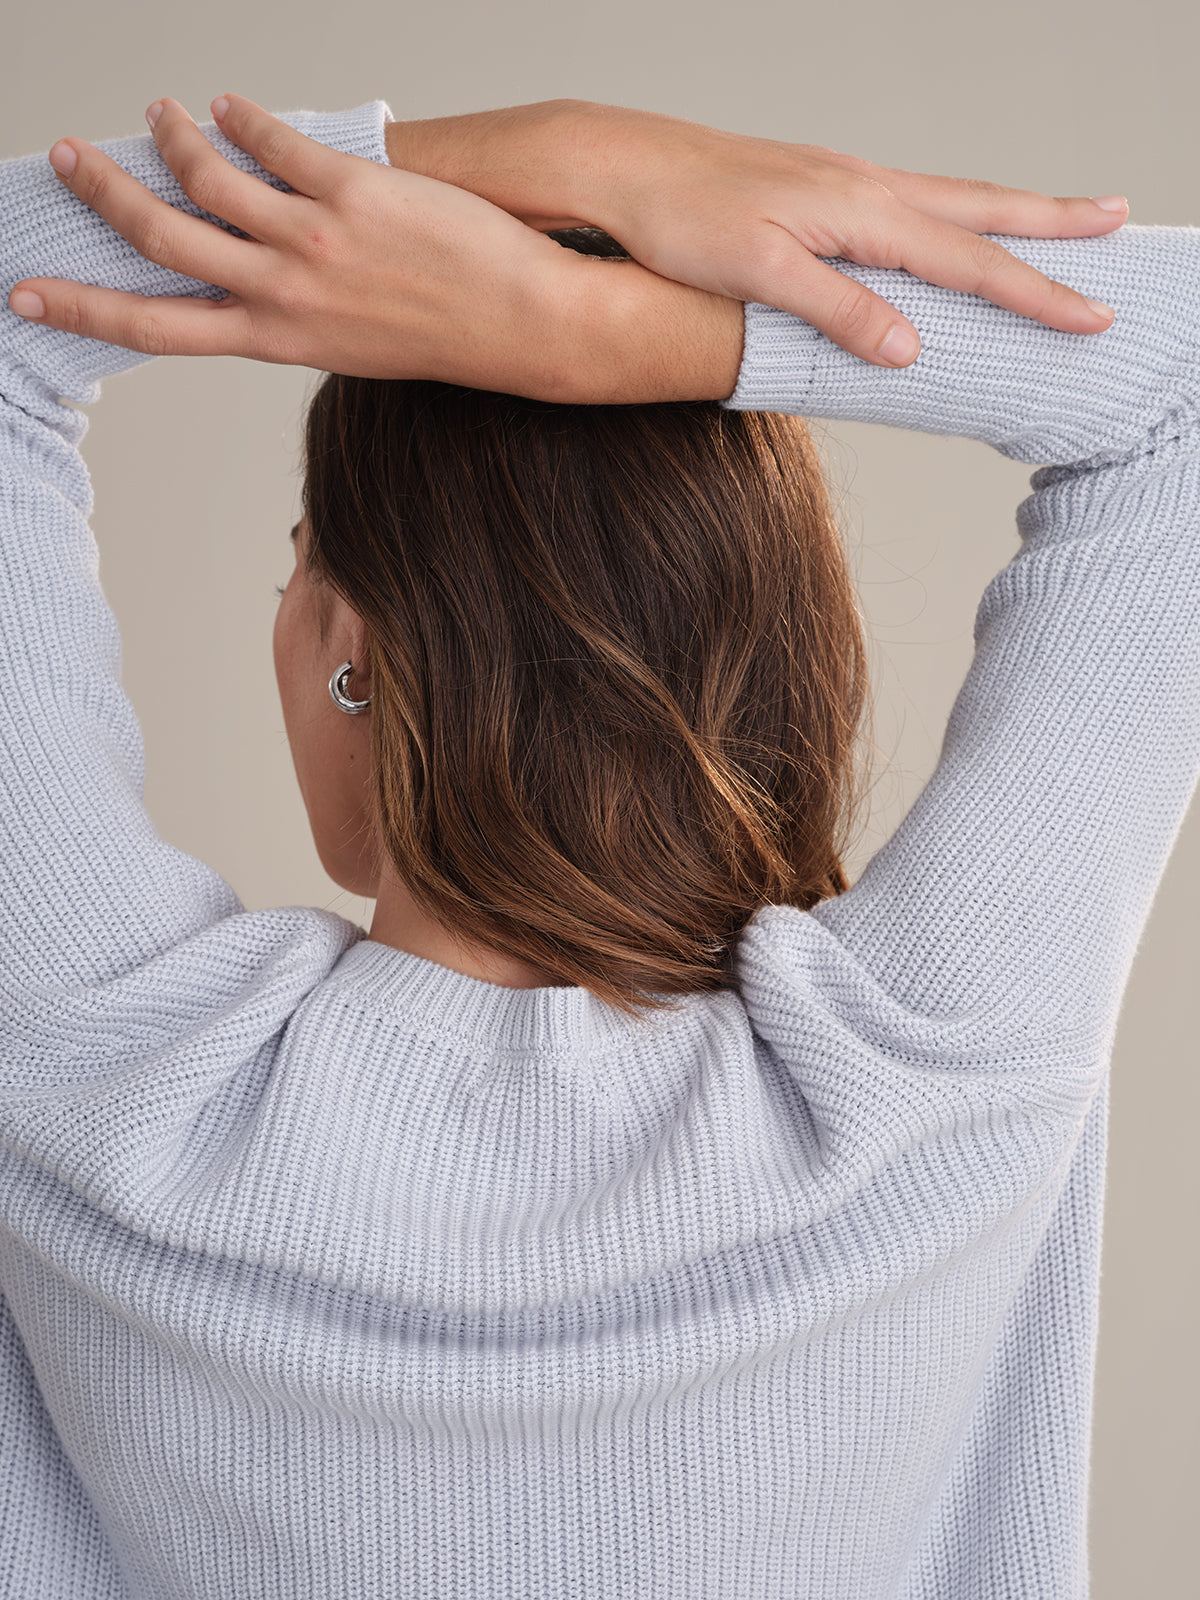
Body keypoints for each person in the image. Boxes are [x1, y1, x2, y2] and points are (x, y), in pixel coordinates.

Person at [0, 91, 1192, 1600]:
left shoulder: (106, 1076)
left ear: (351, 636)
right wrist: (643, 333)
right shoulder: (926, 1087)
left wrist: (553, 158)